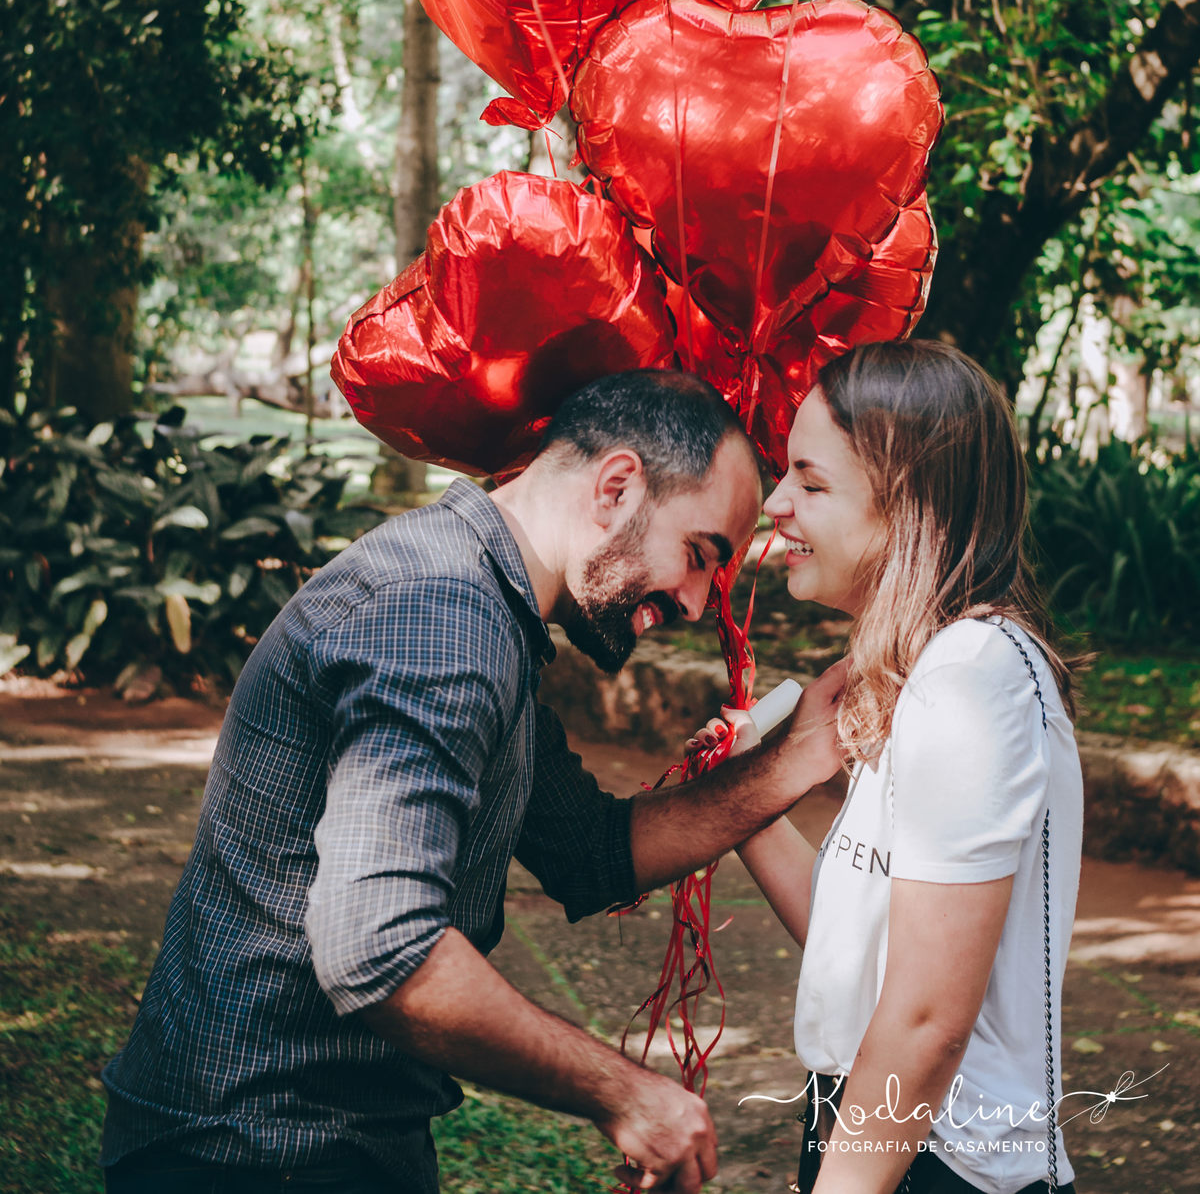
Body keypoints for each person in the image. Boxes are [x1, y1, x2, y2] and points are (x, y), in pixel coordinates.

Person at [101, 368, 849, 1194]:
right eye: (700, 556)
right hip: (255, 1146)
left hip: (324, 1138)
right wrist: (626, 1092)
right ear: (617, 486)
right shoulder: (441, 611)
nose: (700, 601)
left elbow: (590, 852)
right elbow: (380, 946)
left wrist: (789, 762)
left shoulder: (484, 606)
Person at [688, 341, 1082, 1194]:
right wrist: (745, 794)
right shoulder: (928, 669)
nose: (779, 503)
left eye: (811, 481)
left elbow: (929, 1019)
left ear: (908, 504)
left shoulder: (971, 674)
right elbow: (862, 950)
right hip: (883, 1139)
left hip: (947, 1163)